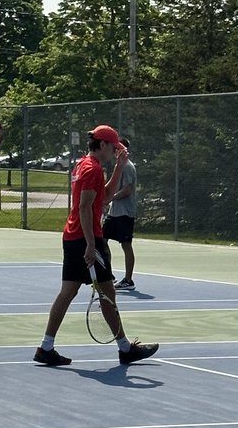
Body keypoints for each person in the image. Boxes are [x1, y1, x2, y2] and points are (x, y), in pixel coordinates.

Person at [34, 125, 159, 367]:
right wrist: (91, 245)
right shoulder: (92, 169)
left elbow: (105, 196)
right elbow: (84, 207)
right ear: (102, 145)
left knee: (69, 293)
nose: (115, 152)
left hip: (74, 237)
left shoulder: (85, 165)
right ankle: (125, 349)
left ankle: (45, 347)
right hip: (86, 239)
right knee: (107, 294)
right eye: (113, 148)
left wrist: (120, 167)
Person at [103, 136, 137, 290]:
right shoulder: (118, 167)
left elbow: (128, 189)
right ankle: (108, 275)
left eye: (119, 148)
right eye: (115, 148)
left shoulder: (128, 166)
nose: (116, 151)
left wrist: (111, 198)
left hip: (125, 213)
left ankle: (128, 280)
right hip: (113, 213)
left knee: (126, 245)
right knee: (102, 241)